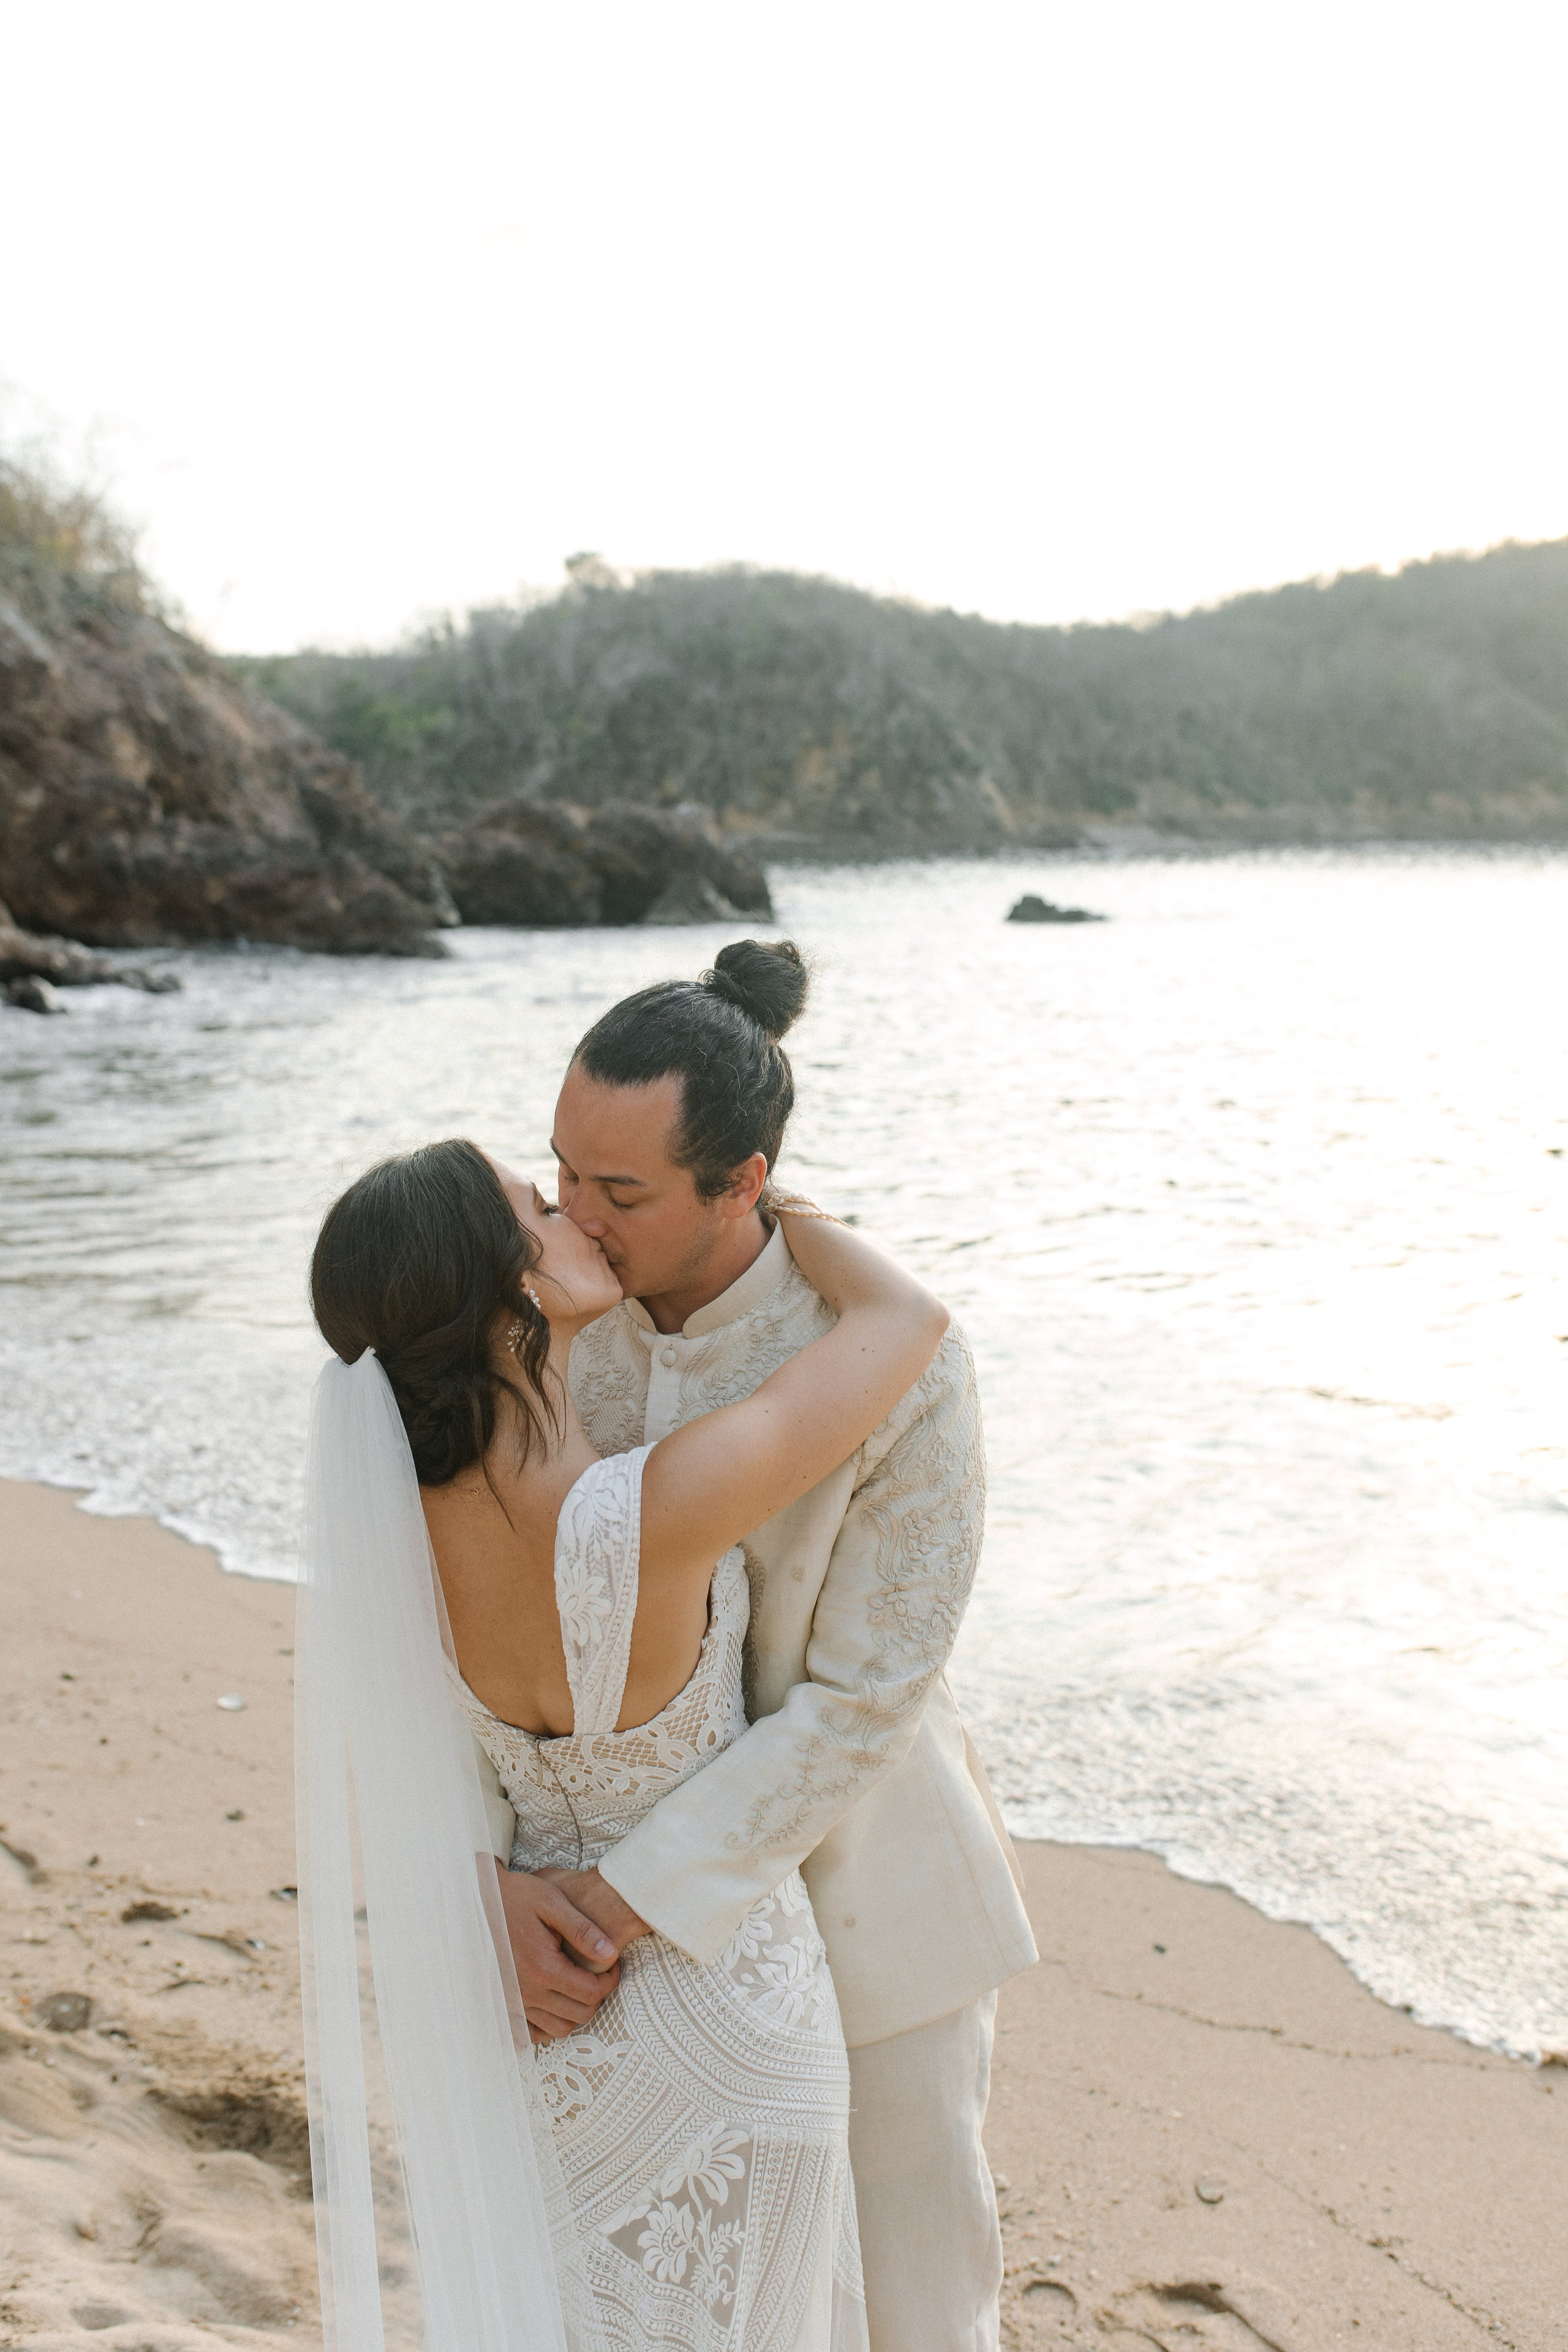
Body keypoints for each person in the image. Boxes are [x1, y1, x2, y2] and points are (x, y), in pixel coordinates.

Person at [477, 938, 1038, 2352]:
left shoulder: (890, 1347)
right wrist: (486, 1884)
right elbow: (468, 1629)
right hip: (584, 1927)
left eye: (621, 1191)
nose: (574, 1218)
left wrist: (617, 1899)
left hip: (866, 1901)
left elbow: (866, 1699)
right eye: (560, 1172)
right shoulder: (539, 1331)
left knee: (914, 2305)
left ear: (746, 1181)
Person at [305, 1132, 951, 2351]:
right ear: (513, 1292)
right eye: (539, 1209)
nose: (577, 1221)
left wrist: (476, 1892)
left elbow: (413, 1774)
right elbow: (902, 1319)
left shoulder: (398, 1547)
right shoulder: (645, 1512)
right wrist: (763, 1199)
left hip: (542, 2013)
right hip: (724, 2011)